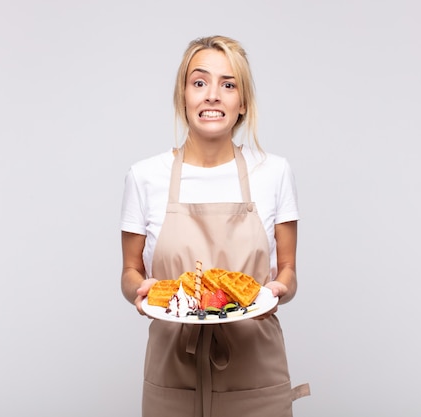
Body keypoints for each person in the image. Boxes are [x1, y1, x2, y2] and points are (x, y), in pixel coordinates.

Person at [120, 35, 310, 417]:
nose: (212, 95)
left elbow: (287, 269)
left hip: (255, 369)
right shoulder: (144, 176)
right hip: (171, 371)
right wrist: (140, 291)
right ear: (183, 96)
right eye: (199, 82)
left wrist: (279, 289)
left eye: (228, 84)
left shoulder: (273, 173)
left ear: (242, 103)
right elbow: (130, 271)